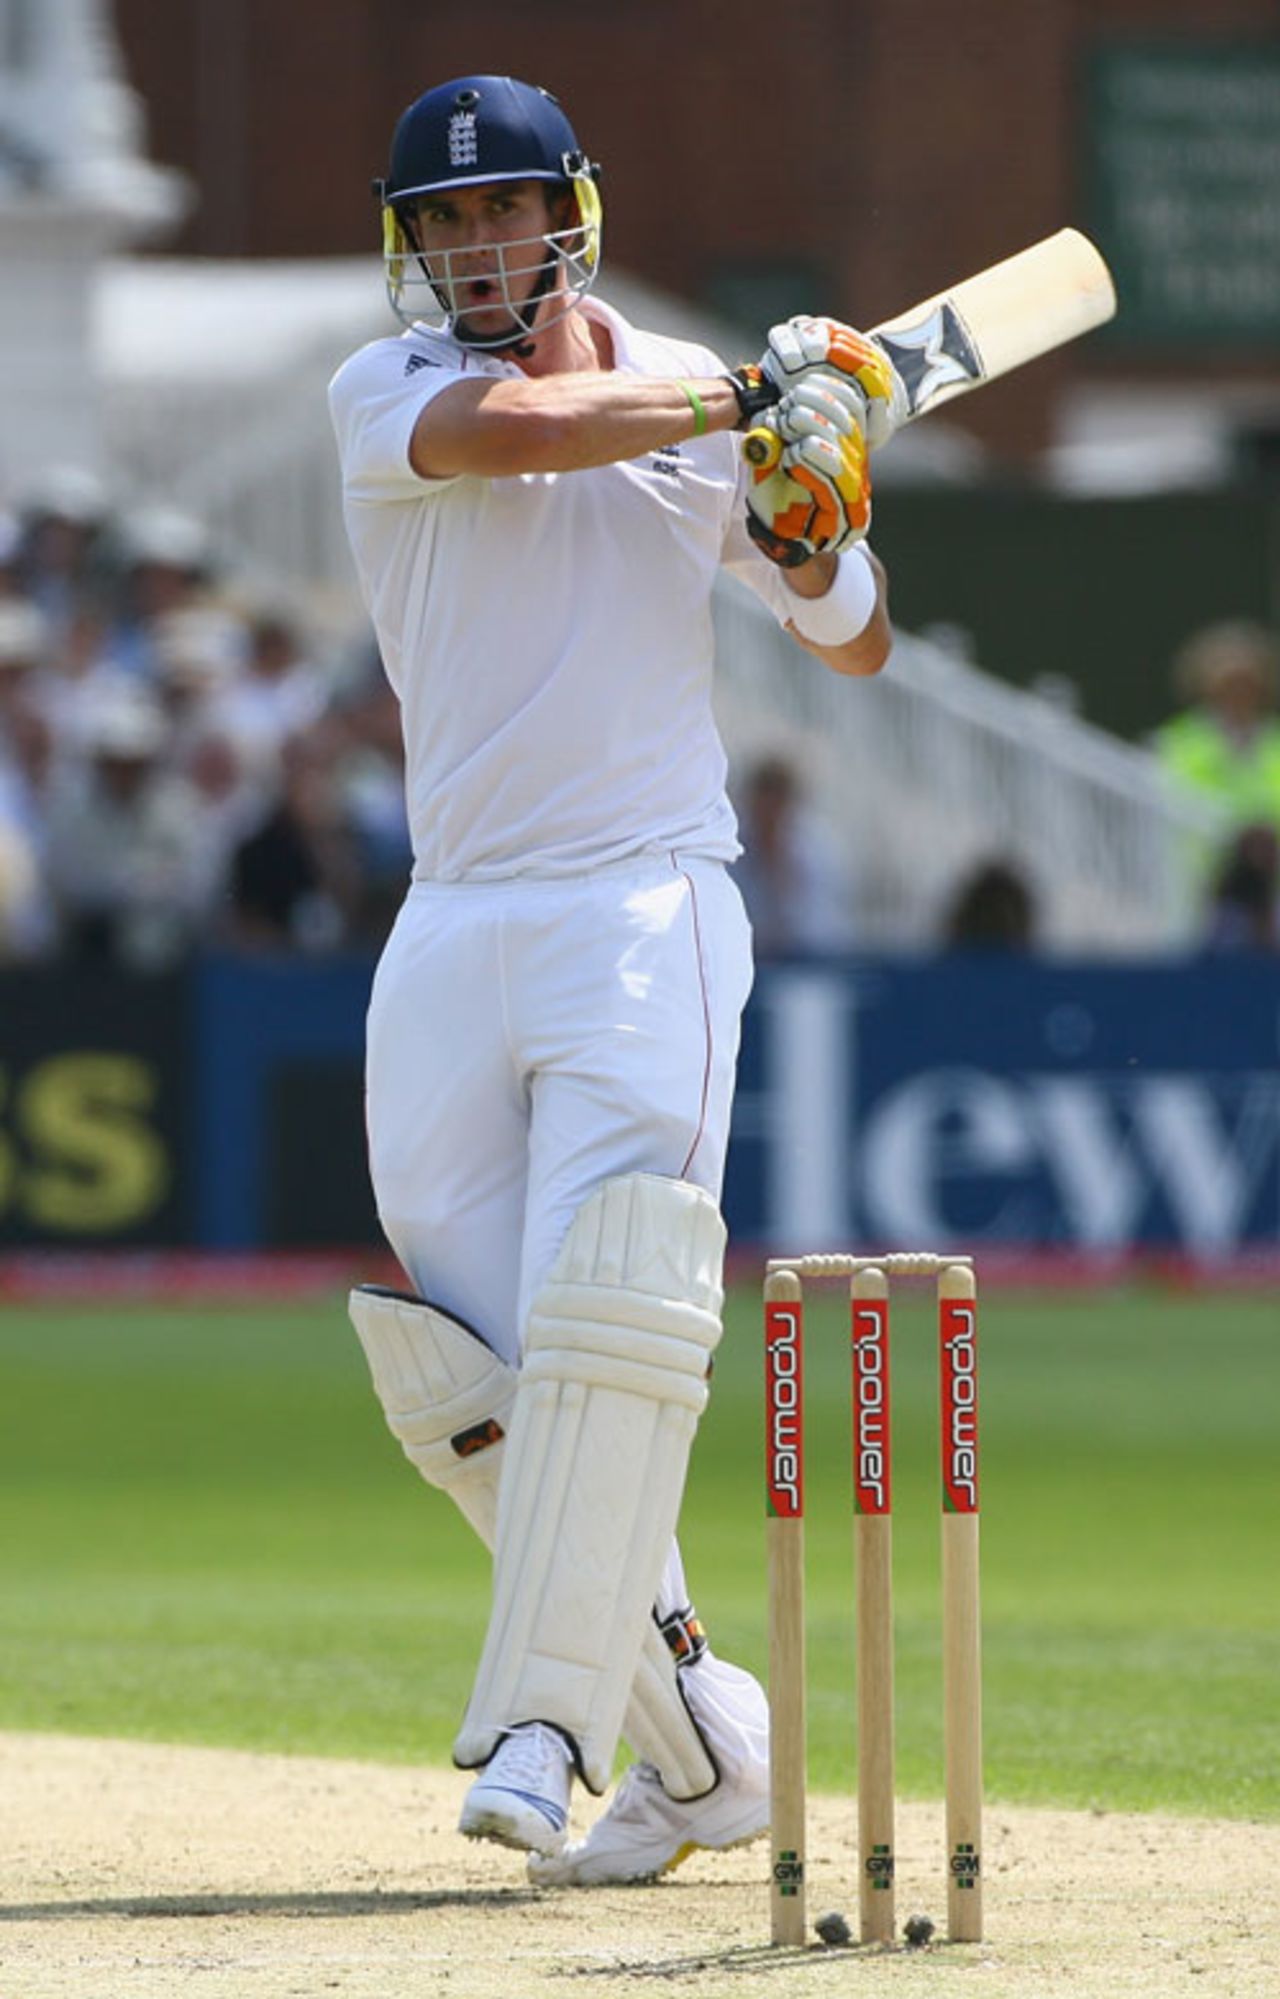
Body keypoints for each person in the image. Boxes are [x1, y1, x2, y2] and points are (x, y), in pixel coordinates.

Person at [328, 73, 896, 1888]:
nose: (481, 248)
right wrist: (753, 399)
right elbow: (529, 437)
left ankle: (543, 1737)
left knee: (603, 1332)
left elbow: (858, 634)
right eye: (448, 224)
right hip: (456, 915)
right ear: (415, 248)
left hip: (647, 914)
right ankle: (710, 1747)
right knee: (479, 1382)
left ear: (572, 210)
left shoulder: (699, 409)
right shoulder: (399, 391)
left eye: (508, 214)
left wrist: (808, 525)